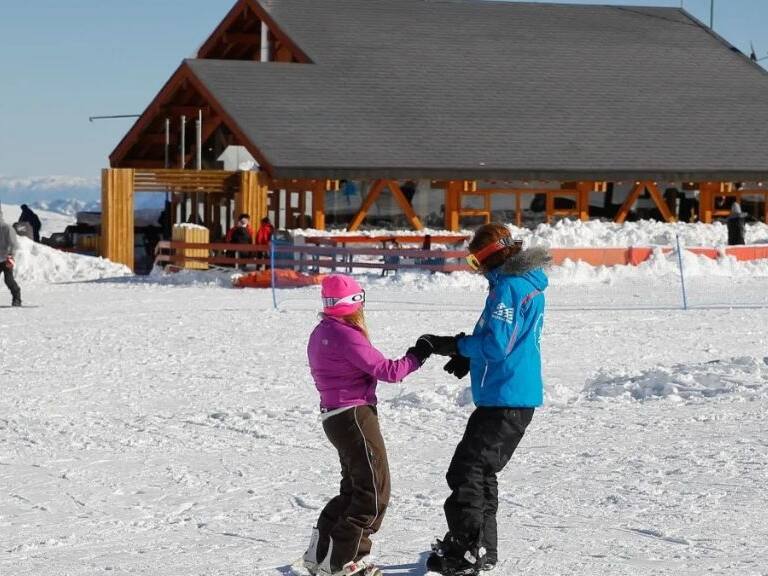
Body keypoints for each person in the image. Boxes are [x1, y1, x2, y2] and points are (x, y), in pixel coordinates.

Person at [423, 223, 550, 576]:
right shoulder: (520, 283)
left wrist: (455, 345)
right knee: (480, 471)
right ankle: (479, 548)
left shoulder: (508, 287)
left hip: (507, 396)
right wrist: (469, 353)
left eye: (478, 264)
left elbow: (496, 345)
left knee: (468, 470)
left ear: (493, 258)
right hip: (506, 393)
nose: (478, 273)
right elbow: (500, 338)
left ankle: (468, 550)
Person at [303, 274, 434, 576]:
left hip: (335, 416)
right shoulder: (345, 334)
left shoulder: (321, 331)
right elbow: (387, 370)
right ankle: (345, 561)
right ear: (353, 304)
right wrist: (419, 354)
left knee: (354, 488)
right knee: (374, 492)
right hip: (354, 416)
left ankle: (321, 553)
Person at [0, 206, 22, 307]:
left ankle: (17, 299)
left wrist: (10, 256)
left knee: (8, 280)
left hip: (6, 259)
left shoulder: (7, 228)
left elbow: (14, 244)